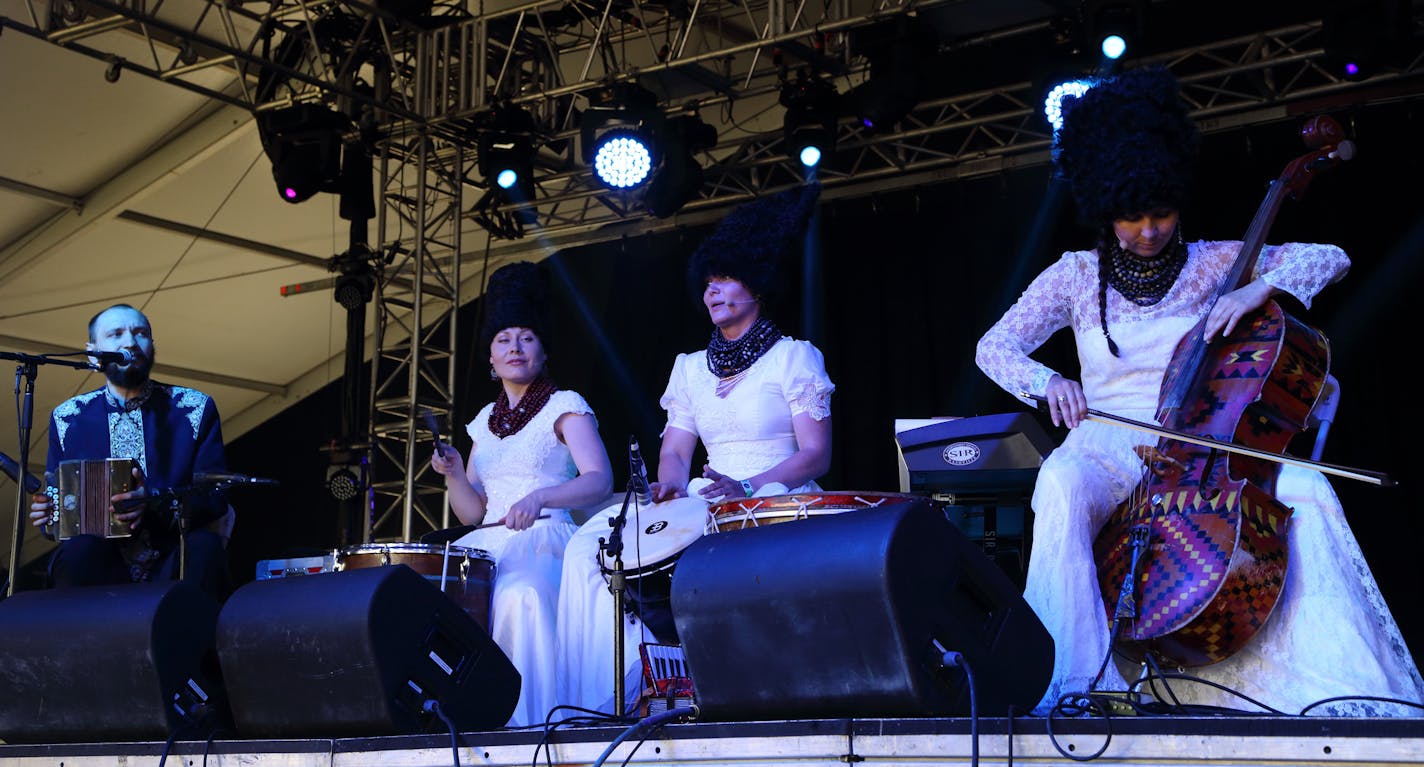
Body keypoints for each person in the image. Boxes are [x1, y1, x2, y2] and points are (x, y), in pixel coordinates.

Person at [975, 65, 1424, 716]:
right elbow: (993, 347)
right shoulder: (1074, 275)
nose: (1149, 230)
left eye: (1160, 213)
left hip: (1201, 440)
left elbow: (1331, 256)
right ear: (1105, 210)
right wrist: (1049, 383)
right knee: (1062, 487)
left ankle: (1339, 688)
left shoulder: (1218, 260)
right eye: (1131, 218)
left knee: (1310, 489)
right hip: (1105, 441)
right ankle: (1076, 687)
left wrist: (1256, 287)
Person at [555, 183, 835, 718]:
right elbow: (677, 450)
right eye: (707, 283)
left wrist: (748, 488)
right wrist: (670, 484)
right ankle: (618, 694)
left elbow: (815, 455)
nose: (713, 291)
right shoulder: (688, 367)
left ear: (760, 284)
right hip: (705, 494)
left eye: (726, 278)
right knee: (591, 545)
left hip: (774, 494)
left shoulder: (794, 358)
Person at [430, 261, 614, 728]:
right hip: (489, 544)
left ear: (543, 348)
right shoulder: (482, 423)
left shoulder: (565, 406)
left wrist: (542, 498)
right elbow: (473, 514)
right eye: (502, 339)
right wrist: (453, 474)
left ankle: (529, 726)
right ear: (490, 356)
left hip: (545, 539)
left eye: (526, 337)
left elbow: (599, 480)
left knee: (521, 594)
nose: (514, 347)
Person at [27, 303, 234, 602]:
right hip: (101, 566)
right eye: (116, 334)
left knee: (204, 547)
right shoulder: (69, 417)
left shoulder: (193, 406)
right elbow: (59, 506)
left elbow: (216, 497)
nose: (130, 342)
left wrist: (152, 500)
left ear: (152, 346)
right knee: (77, 553)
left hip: (173, 556)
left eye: (141, 333)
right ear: (92, 353)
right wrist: (49, 516)